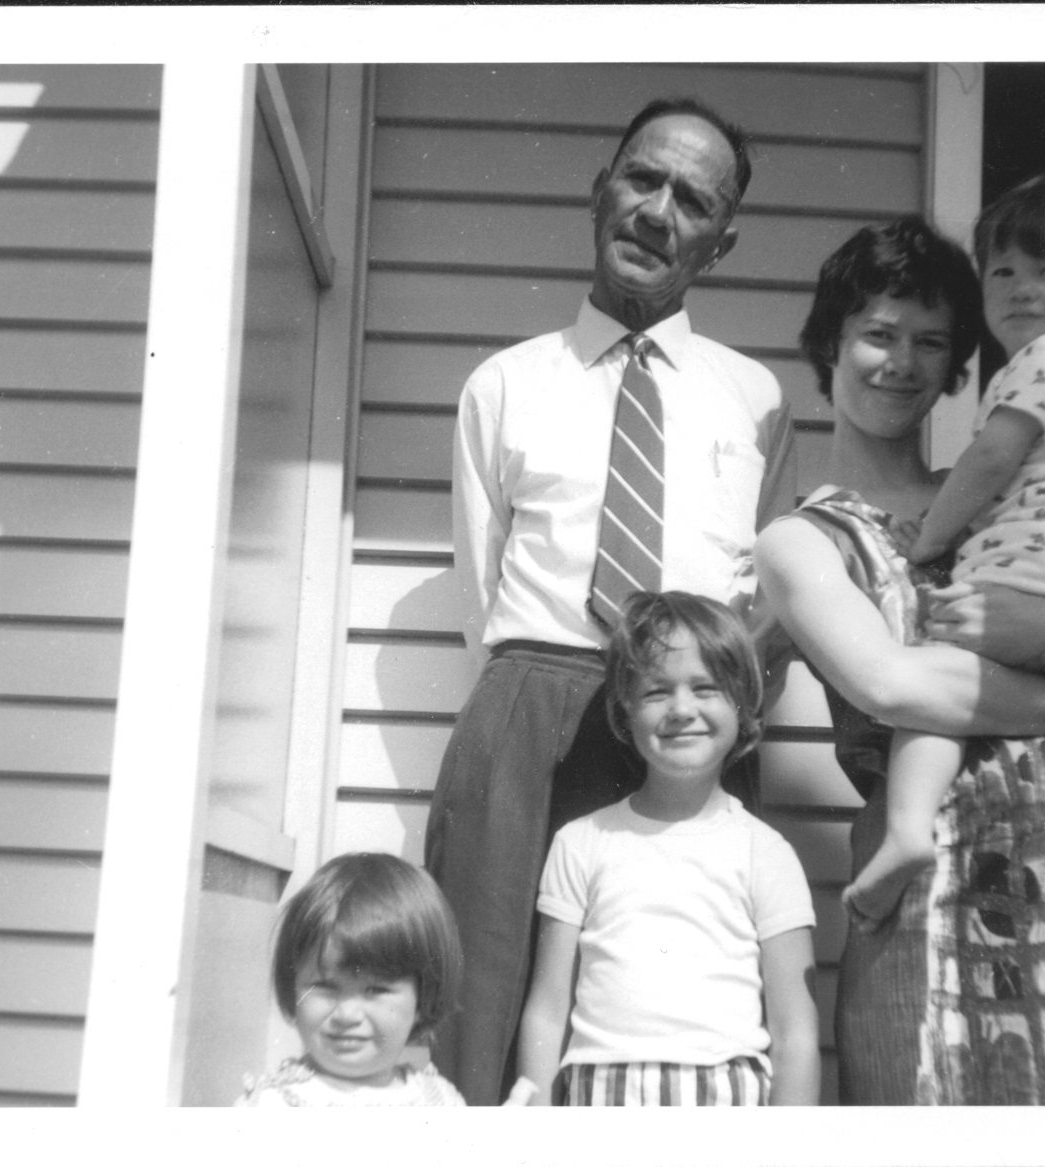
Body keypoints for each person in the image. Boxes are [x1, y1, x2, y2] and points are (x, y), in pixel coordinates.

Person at [752, 216, 1045, 1104]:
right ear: (828, 346)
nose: (903, 362)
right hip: (923, 875)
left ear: (961, 367)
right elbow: (892, 682)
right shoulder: (800, 540)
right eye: (878, 334)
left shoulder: (1007, 494)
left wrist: (1039, 631)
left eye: (932, 342)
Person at [427, 96, 798, 1104]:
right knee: (489, 998)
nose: (658, 211)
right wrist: (520, 711)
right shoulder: (504, 386)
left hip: (685, 725)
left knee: (669, 998)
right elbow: (480, 580)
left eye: (692, 199)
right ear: (602, 190)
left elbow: (764, 601)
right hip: (533, 706)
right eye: (643, 179)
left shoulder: (754, 399)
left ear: (721, 240)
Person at [844, 176, 1045, 929]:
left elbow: (987, 462)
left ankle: (905, 830)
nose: (1022, 289)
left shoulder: (1044, 364)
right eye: (1004, 271)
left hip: (1036, 567)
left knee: (935, 689)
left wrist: (931, 536)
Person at [515, 591, 818, 1106]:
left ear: (742, 706)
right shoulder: (582, 842)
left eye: (705, 688)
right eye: (657, 692)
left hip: (724, 1098)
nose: (682, 710)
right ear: (624, 711)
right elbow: (547, 1009)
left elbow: (795, 1031)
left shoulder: (765, 853)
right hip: (600, 1098)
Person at [236, 852, 467, 1107]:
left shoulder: (440, 1102)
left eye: (375, 990)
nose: (346, 1015)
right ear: (293, 988)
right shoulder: (270, 1106)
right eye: (324, 986)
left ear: (424, 999)